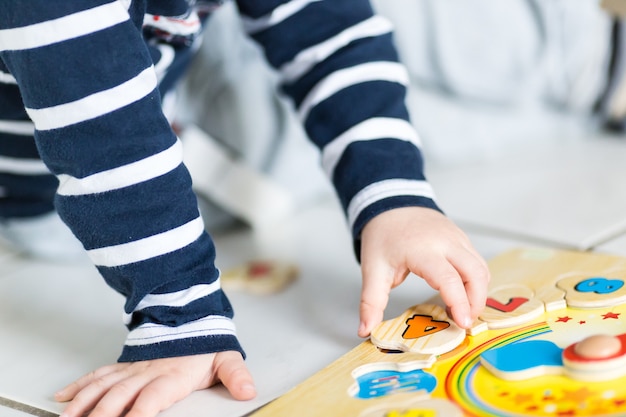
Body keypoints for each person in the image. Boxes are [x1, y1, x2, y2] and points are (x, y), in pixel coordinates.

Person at [0, 1, 490, 417]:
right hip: (50, 192)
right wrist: (180, 314)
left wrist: (394, 193)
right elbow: (103, 136)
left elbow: (328, 30)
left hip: (152, 107)